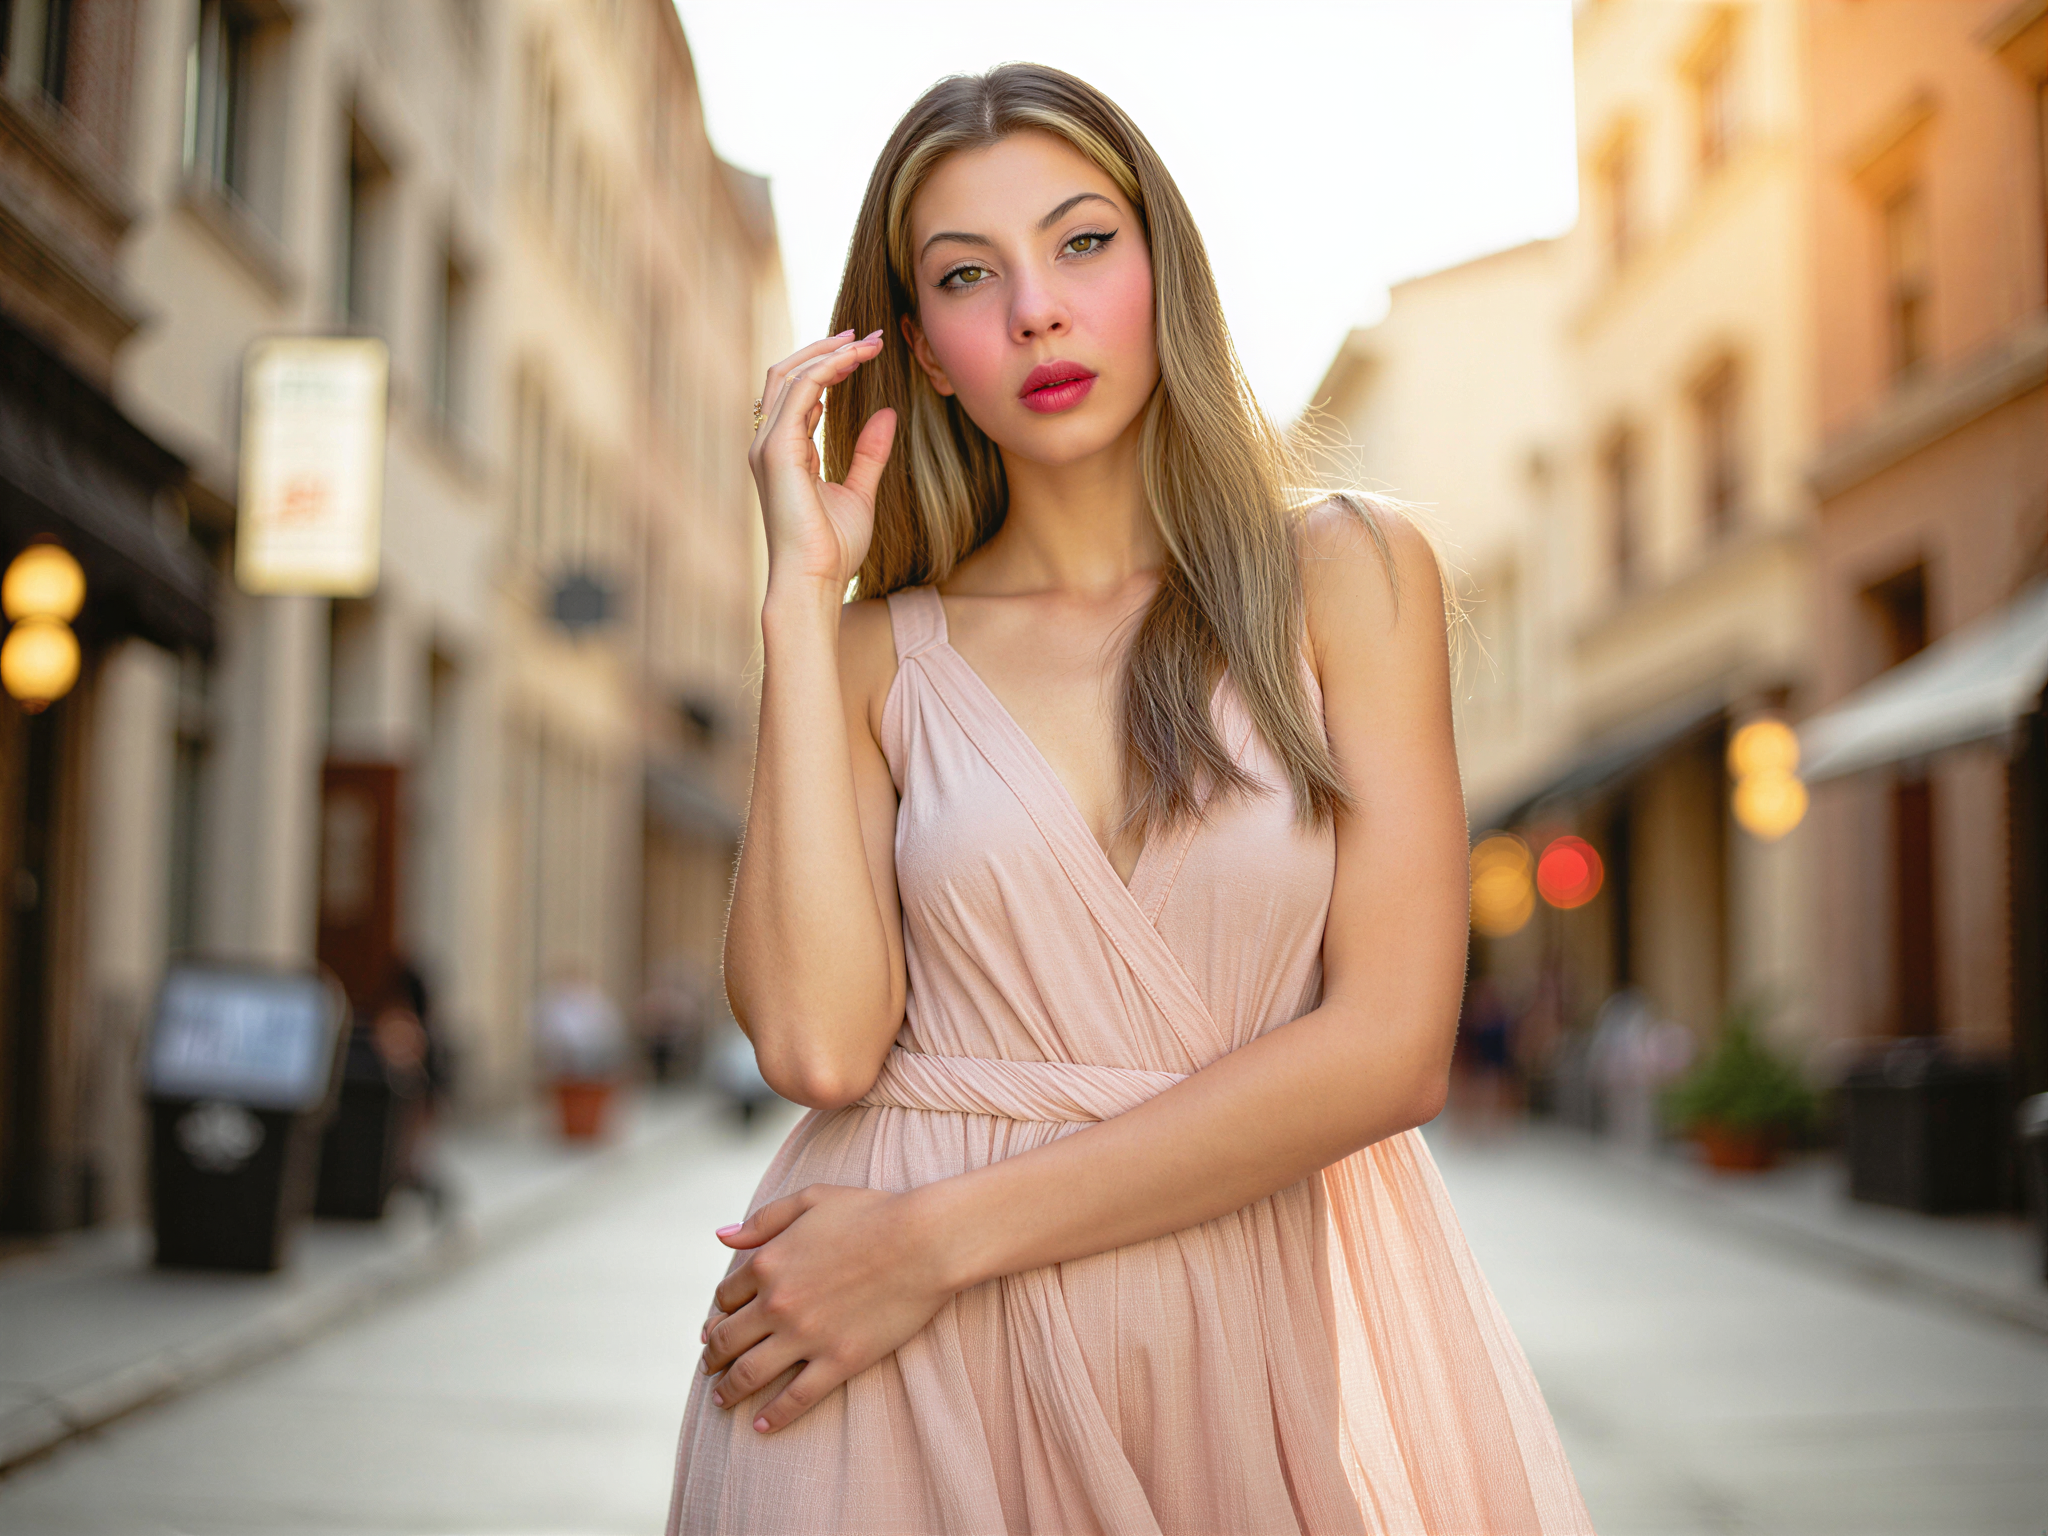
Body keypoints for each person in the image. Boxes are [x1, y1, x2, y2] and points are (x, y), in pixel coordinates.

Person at [672, 64, 1592, 1534]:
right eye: (967, 276)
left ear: (1165, 268)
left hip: (1169, 1331)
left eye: (1083, 243)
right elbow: (816, 1045)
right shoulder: (870, 654)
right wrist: (799, 596)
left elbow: (1393, 1049)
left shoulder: (1346, 575)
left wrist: (927, 1244)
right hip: (887, 1379)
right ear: (925, 354)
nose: (1035, 309)